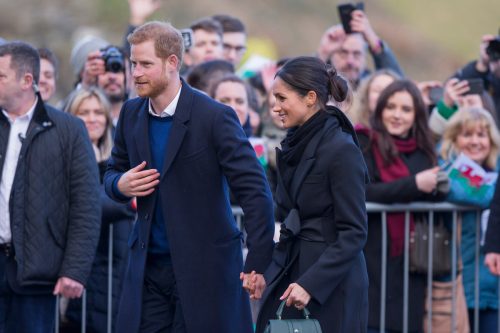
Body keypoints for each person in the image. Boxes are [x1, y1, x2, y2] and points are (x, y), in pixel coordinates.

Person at [104, 21, 275, 333]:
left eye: (145, 64)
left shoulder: (215, 116)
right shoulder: (130, 113)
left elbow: (255, 191)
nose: (136, 73)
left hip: (205, 271)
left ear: (172, 63)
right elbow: (112, 172)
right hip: (149, 271)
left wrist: (258, 262)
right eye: (133, 64)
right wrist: (119, 184)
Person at [254, 56, 369, 333]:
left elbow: (353, 232)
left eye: (282, 98)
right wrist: (264, 271)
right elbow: (286, 219)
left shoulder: (341, 149)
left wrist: (312, 284)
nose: (275, 106)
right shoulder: (292, 145)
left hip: (331, 287)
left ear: (310, 98)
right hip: (292, 275)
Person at [0, 41, 100, 332]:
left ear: (27, 80)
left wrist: (75, 270)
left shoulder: (69, 130)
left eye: (1, 76)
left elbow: (86, 206)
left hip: (36, 275)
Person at [355, 80, 442, 332]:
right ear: (380, 109)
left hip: (411, 259)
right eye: (391, 107)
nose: (396, 115)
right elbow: (364, 192)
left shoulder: (423, 152)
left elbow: (430, 194)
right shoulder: (364, 142)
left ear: (416, 114)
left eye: (405, 109)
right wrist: (415, 184)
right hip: (371, 253)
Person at [62, 87, 135, 332]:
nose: (92, 118)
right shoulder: (62, 158)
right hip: (83, 269)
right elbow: (79, 205)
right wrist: (125, 199)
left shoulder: (118, 161)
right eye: (83, 112)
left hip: (117, 268)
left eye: (98, 112)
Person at [440, 107, 500, 333]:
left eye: (481, 134)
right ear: (454, 138)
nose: (475, 141)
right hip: (457, 288)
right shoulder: (447, 174)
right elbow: (479, 194)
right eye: (467, 134)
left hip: (492, 287)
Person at [316, 9, 403, 88]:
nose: (350, 61)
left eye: (357, 54)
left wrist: (374, 42)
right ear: (331, 56)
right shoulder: (320, 84)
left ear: (365, 57)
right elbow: (307, 84)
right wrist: (323, 53)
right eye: (343, 53)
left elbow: (399, 88)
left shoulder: (372, 89)